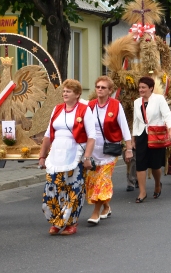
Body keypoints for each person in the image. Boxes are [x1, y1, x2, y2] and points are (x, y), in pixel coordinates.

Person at [38, 79, 96, 236]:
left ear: (77, 94)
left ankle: (71, 223)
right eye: (64, 91)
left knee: (73, 190)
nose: (65, 93)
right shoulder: (57, 109)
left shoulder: (84, 110)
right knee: (52, 188)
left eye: (68, 91)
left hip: (75, 154)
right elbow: (48, 134)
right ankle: (57, 221)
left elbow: (91, 137)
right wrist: (42, 156)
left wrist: (87, 158)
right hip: (56, 154)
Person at [86, 76, 133, 224]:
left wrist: (129, 148)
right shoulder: (90, 106)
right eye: (98, 87)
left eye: (103, 87)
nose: (100, 89)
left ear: (110, 90)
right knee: (93, 181)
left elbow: (124, 128)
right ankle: (106, 207)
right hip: (93, 150)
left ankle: (95, 213)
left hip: (109, 150)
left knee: (103, 181)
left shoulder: (115, 105)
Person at [132, 77, 171, 202]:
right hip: (142, 135)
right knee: (140, 164)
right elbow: (136, 121)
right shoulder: (136, 102)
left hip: (156, 135)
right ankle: (142, 192)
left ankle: (157, 184)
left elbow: (167, 115)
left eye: (143, 87)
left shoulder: (159, 99)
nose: (141, 90)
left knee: (155, 165)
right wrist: (133, 139)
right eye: (140, 87)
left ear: (151, 88)